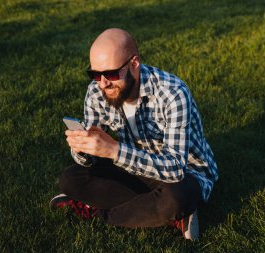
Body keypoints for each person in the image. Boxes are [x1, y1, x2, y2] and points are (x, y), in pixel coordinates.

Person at [50, 28, 218, 240]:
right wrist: (83, 148)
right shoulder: (97, 91)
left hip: (184, 173)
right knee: (70, 179)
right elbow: (89, 159)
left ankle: (99, 211)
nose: (103, 83)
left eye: (110, 74)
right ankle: (166, 214)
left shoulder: (173, 93)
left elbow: (175, 168)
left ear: (134, 64)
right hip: (134, 165)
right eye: (95, 74)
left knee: (177, 197)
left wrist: (113, 150)